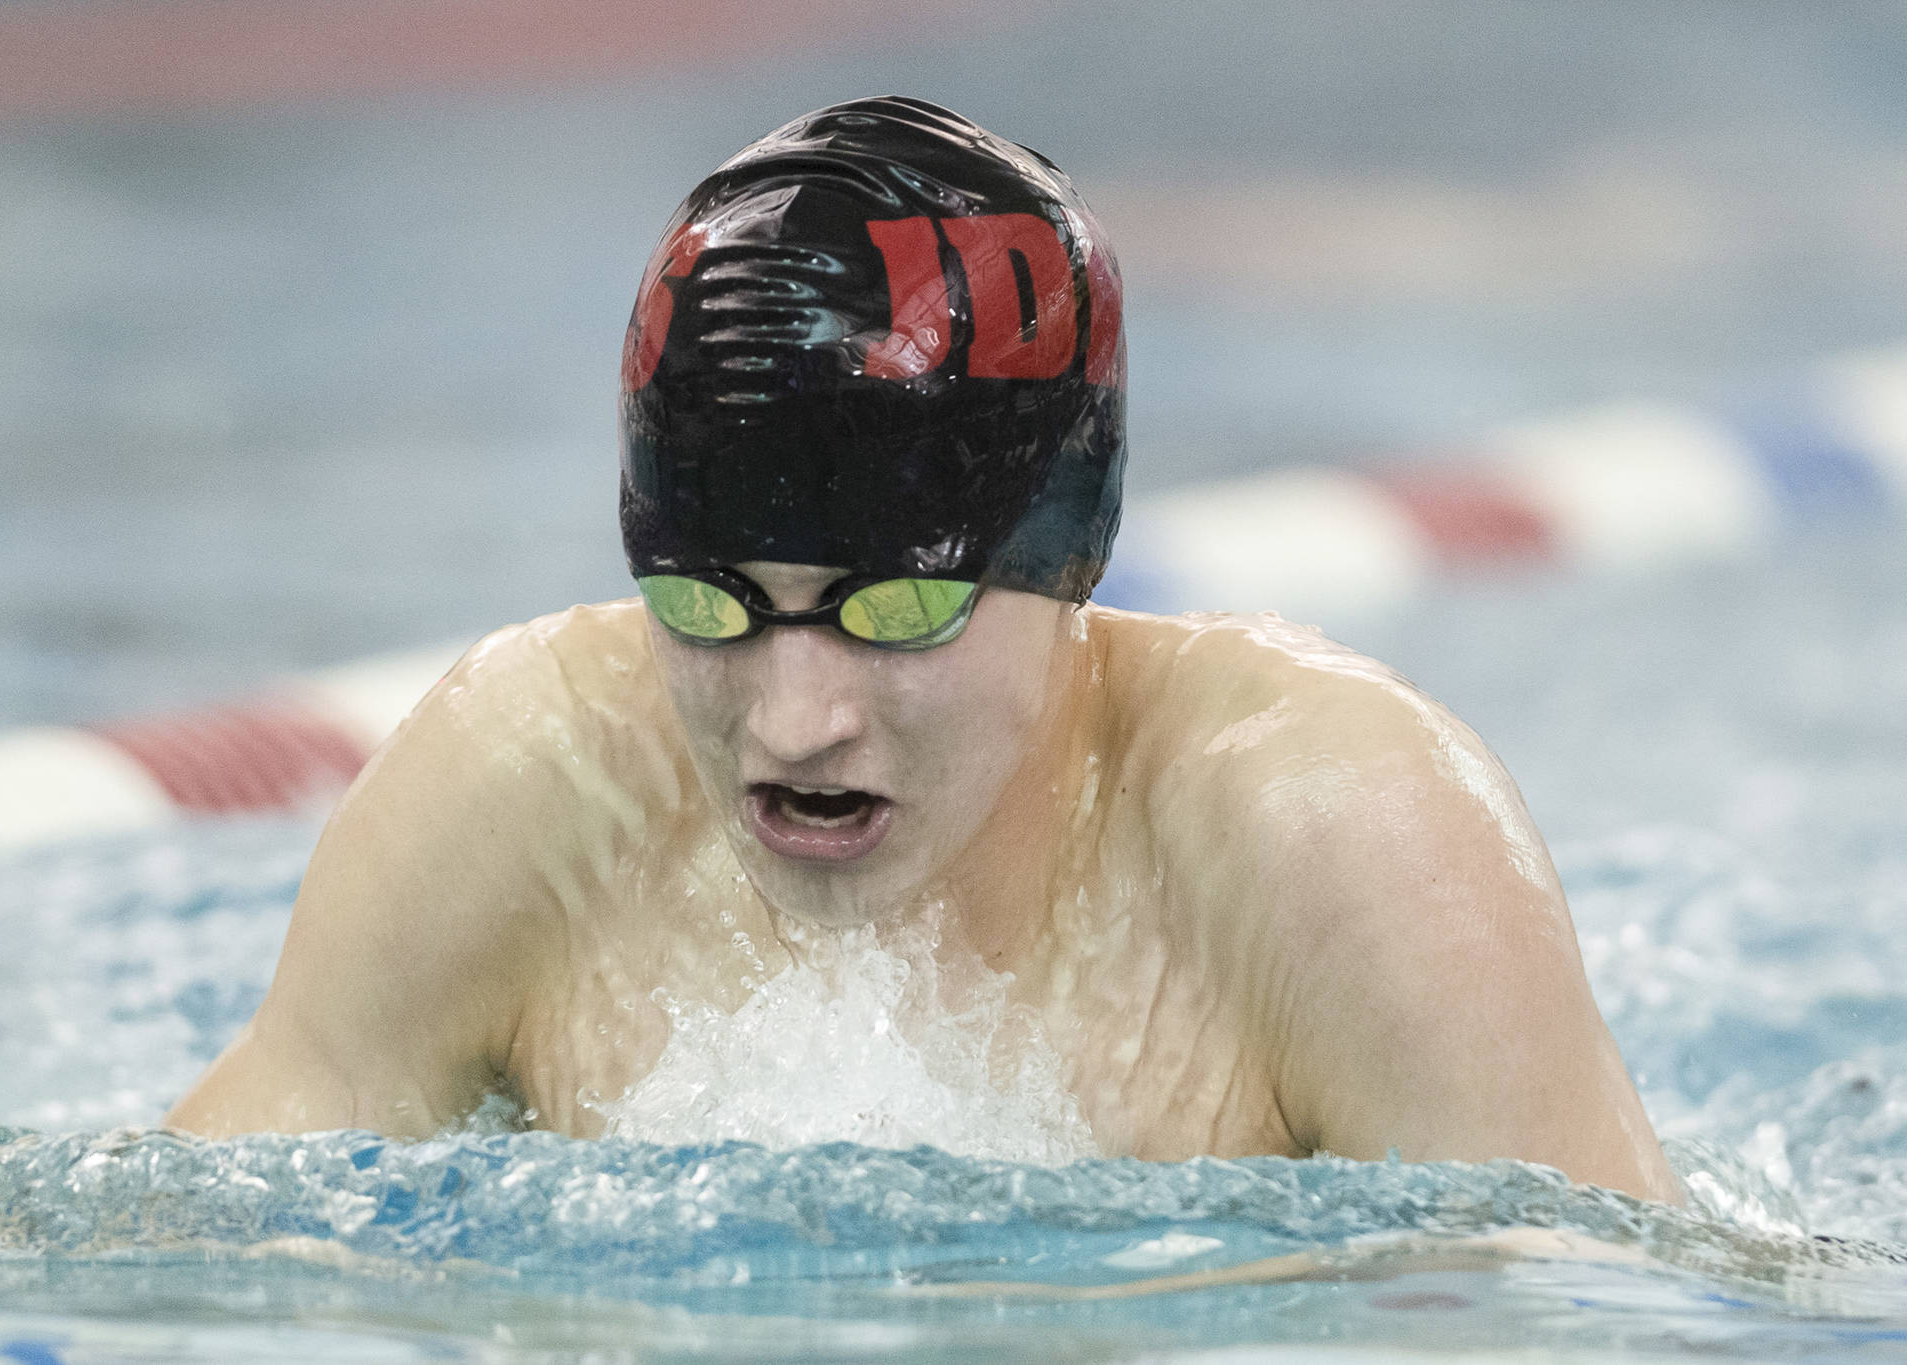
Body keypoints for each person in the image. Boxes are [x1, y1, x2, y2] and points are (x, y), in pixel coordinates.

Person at [167, 96, 1682, 1203]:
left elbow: (1618, 1318)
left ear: (1069, 559)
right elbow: (184, 1250)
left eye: (892, 611)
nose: (793, 718)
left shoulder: (1340, 842)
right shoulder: (532, 782)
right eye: (709, 602)